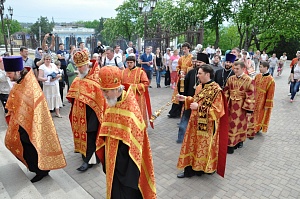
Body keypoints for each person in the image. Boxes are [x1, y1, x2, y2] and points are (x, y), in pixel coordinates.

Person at [3, 56, 66, 183]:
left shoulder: (29, 83)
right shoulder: (20, 82)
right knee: (24, 145)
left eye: (9, 73)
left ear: (17, 71)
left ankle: (41, 171)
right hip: (22, 123)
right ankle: (36, 168)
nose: (7, 76)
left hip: (33, 123)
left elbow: (32, 105)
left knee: (32, 146)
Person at [97, 66, 156, 199]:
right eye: (103, 91)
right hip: (112, 157)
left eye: (106, 91)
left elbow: (136, 141)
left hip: (127, 163)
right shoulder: (110, 102)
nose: (104, 95)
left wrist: (121, 162)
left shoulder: (130, 106)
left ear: (117, 89)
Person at [176, 64, 228, 178]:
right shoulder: (199, 87)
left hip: (207, 126)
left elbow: (218, 111)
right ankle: (189, 169)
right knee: (191, 145)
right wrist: (185, 99)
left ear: (207, 74)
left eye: (200, 73)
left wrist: (199, 108)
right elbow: (195, 101)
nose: (197, 75)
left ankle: (200, 169)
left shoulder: (216, 90)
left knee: (202, 148)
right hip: (194, 122)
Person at [66, 50, 107, 172]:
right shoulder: (80, 77)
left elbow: (101, 97)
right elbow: (73, 93)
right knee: (83, 133)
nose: (79, 69)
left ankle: (89, 160)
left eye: (81, 66)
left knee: (91, 133)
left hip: (93, 112)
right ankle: (85, 155)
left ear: (87, 64)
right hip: (80, 111)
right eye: (77, 67)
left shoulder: (97, 76)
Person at [176, 53, 209, 143]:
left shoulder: (208, 76)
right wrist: (181, 82)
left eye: (200, 62)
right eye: (197, 62)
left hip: (201, 104)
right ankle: (181, 138)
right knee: (185, 120)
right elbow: (184, 86)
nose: (198, 64)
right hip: (189, 101)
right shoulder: (191, 72)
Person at [224, 61, 255, 154]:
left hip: (242, 107)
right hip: (230, 105)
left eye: (237, 69)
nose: (235, 70)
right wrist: (224, 103)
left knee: (240, 124)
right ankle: (229, 143)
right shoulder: (230, 79)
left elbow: (251, 94)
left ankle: (239, 141)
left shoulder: (249, 80)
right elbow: (226, 91)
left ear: (243, 69)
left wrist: (248, 109)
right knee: (230, 125)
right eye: (234, 68)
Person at [121, 56, 152, 127]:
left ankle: (139, 127)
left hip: (138, 96)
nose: (129, 64)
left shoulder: (140, 72)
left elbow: (146, 83)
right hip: (126, 97)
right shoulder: (123, 72)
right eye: (128, 62)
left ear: (134, 62)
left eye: (131, 62)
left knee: (138, 112)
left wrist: (134, 87)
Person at [249, 61, 275, 138]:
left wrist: (267, 104)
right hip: (254, 98)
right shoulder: (258, 76)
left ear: (266, 68)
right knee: (252, 113)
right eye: (259, 66)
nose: (259, 68)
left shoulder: (271, 80)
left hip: (262, 100)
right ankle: (250, 127)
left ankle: (256, 128)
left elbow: (270, 94)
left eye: (261, 67)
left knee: (259, 114)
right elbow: (252, 85)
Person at [168, 42, 193, 118]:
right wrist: (180, 71)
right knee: (178, 93)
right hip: (181, 78)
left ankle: (183, 111)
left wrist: (186, 71)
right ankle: (175, 112)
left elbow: (192, 66)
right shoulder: (181, 58)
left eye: (185, 49)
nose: (184, 50)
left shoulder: (191, 57)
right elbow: (178, 67)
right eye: (183, 49)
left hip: (187, 78)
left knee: (185, 93)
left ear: (189, 49)